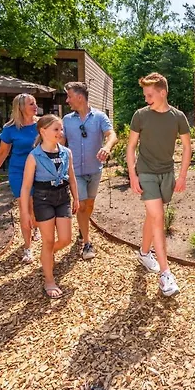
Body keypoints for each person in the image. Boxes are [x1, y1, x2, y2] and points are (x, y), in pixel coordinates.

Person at [126, 72, 191, 297]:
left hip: (167, 173)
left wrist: (182, 176)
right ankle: (165, 274)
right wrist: (133, 175)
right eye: (145, 95)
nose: (146, 99)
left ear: (163, 93)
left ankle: (144, 253)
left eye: (150, 95)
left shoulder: (178, 117)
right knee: (158, 217)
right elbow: (131, 147)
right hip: (146, 172)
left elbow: (187, 147)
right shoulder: (140, 116)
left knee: (152, 216)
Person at [20, 115, 79, 299]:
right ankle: (49, 280)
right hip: (43, 199)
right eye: (56, 129)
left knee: (66, 239)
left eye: (61, 129)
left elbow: (72, 177)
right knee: (48, 240)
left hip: (63, 198)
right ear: (43, 131)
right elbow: (26, 187)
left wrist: (76, 198)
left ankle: (47, 255)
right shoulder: (34, 156)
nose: (60, 133)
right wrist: (25, 213)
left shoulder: (66, 152)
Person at [63, 82, 117, 260]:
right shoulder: (67, 120)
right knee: (82, 205)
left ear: (80, 97)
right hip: (75, 172)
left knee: (90, 205)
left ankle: (82, 227)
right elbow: (60, 142)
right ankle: (87, 243)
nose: (67, 100)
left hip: (95, 170)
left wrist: (107, 147)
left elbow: (112, 135)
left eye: (69, 96)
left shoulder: (99, 117)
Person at [0, 93, 40, 263]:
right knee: (24, 207)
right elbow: (2, 152)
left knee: (34, 207)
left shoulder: (41, 124)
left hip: (39, 171)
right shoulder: (10, 128)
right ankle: (27, 248)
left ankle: (35, 227)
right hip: (18, 172)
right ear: (21, 107)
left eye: (35, 103)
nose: (35, 106)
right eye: (31, 104)